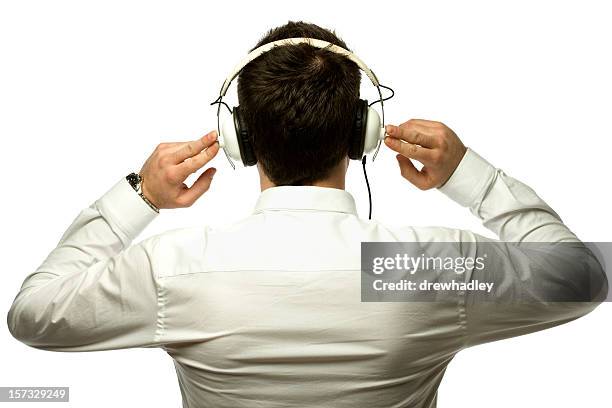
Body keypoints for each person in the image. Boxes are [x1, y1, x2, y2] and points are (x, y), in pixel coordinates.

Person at [7, 21, 608, 408]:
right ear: (361, 135)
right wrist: (472, 176)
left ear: (240, 138)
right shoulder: (414, 269)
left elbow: (32, 316)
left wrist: (138, 198)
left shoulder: (177, 269)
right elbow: (584, 278)